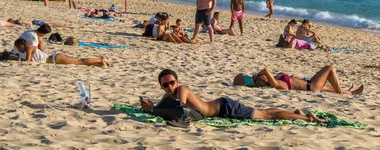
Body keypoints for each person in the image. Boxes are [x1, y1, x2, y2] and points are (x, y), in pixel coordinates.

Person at [139, 69, 325, 123]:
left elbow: (179, 110)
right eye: (166, 84)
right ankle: (295, 112)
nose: (170, 86)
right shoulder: (168, 96)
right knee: (263, 111)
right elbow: (164, 106)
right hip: (221, 106)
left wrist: (154, 110)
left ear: (177, 82)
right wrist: (152, 107)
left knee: (266, 115)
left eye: (172, 82)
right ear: (161, 86)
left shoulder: (182, 90)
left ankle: (306, 117)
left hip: (226, 108)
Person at [234, 65, 364, 95]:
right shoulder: (275, 84)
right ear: (263, 80)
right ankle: (342, 91)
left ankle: (350, 92)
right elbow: (265, 70)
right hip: (311, 87)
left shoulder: (275, 79)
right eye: (261, 78)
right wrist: (257, 76)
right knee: (330, 68)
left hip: (308, 83)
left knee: (330, 89)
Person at [12, 38, 110, 67]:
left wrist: (16, 58)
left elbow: (28, 61)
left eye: (18, 48)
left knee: (80, 62)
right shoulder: (28, 48)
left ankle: (101, 59)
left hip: (55, 59)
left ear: (22, 46)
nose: (19, 50)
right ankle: (100, 63)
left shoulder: (29, 48)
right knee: (81, 63)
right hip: (54, 58)